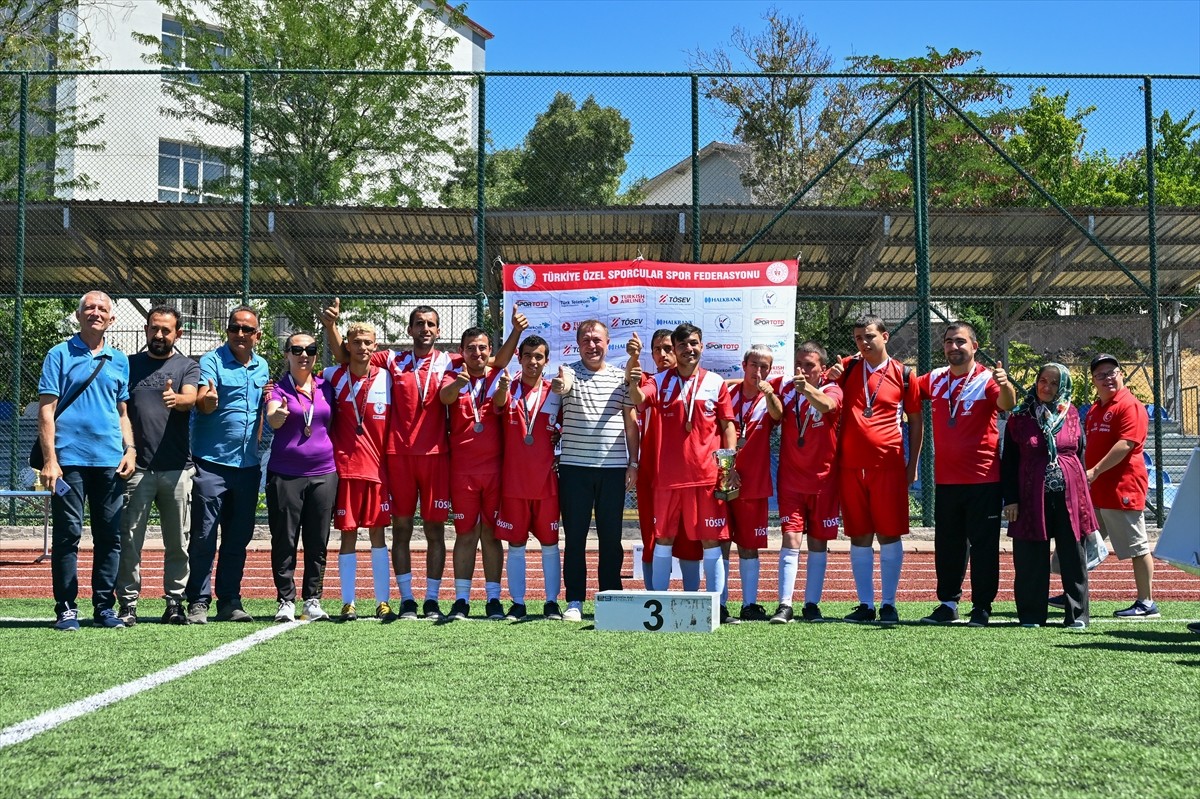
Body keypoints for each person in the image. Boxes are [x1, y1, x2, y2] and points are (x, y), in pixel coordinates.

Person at [324, 303, 523, 620]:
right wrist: (332, 326)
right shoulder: (392, 359)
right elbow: (347, 358)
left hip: (436, 457)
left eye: (431, 324)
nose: (425, 329)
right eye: (419, 324)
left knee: (435, 530)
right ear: (410, 330)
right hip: (397, 457)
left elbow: (493, 361)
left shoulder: (449, 361)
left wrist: (516, 331)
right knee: (401, 530)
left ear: (439, 331)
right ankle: (406, 600)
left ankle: (431, 599)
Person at [37, 291, 136, 631]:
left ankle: (104, 608)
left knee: (110, 537)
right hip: (69, 462)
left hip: (110, 461)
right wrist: (51, 461)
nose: (96, 312)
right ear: (79, 316)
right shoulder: (58, 354)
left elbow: (122, 411)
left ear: (111, 319)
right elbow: (46, 412)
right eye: (89, 307)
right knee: (68, 536)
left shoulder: (120, 360)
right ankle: (66, 609)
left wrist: (131, 449)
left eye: (102, 308)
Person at [628, 323, 739, 623]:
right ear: (675, 351)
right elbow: (638, 399)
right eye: (682, 346)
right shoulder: (661, 380)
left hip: (706, 477)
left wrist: (728, 467)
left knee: (711, 541)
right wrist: (633, 371)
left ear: (702, 346)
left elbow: (728, 426)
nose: (689, 349)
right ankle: (659, 606)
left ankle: (717, 607)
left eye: (694, 343)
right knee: (663, 538)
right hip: (668, 480)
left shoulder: (716, 383)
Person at [916, 322, 1016, 627]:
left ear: (974, 346)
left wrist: (1006, 382)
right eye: (948, 342)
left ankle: (982, 607)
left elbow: (1007, 404)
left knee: (984, 547)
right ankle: (947, 604)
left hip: (984, 480)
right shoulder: (934, 379)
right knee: (948, 546)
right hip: (946, 481)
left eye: (960, 342)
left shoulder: (987, 379)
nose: (953, 347)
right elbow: (899, 383)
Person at [829, 315, 922, 625]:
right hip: (850, 466)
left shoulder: (905, 374)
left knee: (889, 534)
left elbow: (916, 421)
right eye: (858, 338)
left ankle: (889, 603)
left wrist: (914, 464)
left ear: (884, 336)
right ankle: (865, 604)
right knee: (859, 535)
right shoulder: (849, 368)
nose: (864, 342)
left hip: (889, 466)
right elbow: (827, 395)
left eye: (869, 336)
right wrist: (831, 375)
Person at [186, 305, 270, 624]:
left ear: (257, 335)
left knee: (238, 538)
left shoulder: (262, 366)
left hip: (247, 467)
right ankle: (198, 600)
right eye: (235, 328)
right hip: (211, 464)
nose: (240, 334)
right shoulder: (211, 360)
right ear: (227, 331)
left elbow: (265, 406)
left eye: (247, 329)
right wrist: (207, 399)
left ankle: (230, 600)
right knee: (205, 536)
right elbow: (205, 398)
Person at [117, 305, 200, 626]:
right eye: (154, 328)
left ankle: (174, 603)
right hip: (136, 470)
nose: (159, 335)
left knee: (178, 542)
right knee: (130, 541)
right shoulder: (128, 365)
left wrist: (177, 399)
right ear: (146, 330)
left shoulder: (187, 366)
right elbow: (120, 409)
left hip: (178, 469)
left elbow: (191, 398)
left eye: (166, 330)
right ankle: (127, 605)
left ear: (177, 333)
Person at [552, 320, 639, 622]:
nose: (592, 345)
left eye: (597, 340)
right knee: (574, 538)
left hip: (613, 469)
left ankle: (611, 596)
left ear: (607, 342)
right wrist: (560, 385)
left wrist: (634, 463)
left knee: (611, 538)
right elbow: (561, 387)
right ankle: (575, 599)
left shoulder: (620, 378)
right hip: (574, 469)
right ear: (577, 343)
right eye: (586, 340)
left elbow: (631, 423)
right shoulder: (569, 372)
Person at [1001, 363, 1096, 629]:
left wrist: (1083, 499)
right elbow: (1008, 462)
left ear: (1063, 387)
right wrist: (1011, 500)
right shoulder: (1020, 417)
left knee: (1073, 557)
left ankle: (1076, 615)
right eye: (1043, 380)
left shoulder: (1073, 414)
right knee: (1030, 556)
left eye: (1054, 383)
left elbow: (1080, 455)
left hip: (1069, 497)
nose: (1047, 387)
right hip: (1030, 497)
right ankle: (1031, 615)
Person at [322, 319, 394, 623]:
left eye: (367, 342)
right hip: (345, 469)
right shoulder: (331, 376)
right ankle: (348, 602)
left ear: (375, 345)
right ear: (347, 346)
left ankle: (383, 602)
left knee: (378, 534)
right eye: (356, 342)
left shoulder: (389, 378)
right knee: (348, 536)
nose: (362, 347)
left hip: (378, 470)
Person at [265, 333, 337, 622]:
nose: (303, 354)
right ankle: (285, 600)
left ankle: (312, 599)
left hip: (324, 473)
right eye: (297, 349)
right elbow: (272, 414)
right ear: (287, 354)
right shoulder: (278, 389)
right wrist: (275, 417)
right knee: (285, 538)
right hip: (286, 474)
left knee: (318, 539)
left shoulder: (326, 386)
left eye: (310, 350)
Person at [493, 335, 564, 620]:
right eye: (528, 356)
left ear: (546, 361)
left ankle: (551, 602)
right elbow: (497, 405)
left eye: (539, 357)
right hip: (514, 482)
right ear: (518, 358)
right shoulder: (508, 389)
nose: (533, 362)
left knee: (550, 545)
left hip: (547, 483)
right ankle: (518, 602)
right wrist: (501, 389)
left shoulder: (556, 392)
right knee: (516, 546)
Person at [771, 341, 842, 624]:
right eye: (799, 364)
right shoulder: (787, 387)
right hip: (791, 479)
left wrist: (807, 389)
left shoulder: (830, 388)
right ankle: (785, 604)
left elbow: (827, 405)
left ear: (822, 369)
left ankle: (811, 604)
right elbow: (754, 381)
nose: (803, 369)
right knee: (790, 538)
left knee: (818, 542)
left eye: (810, 365)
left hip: (824, 480)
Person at [1083, 353, 1158, 618]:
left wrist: (1094, 470)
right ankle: (1075, 591)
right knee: (1085, 542)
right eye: (1100, 375)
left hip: (1122, 488)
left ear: (1122, 374)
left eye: (1112, 372)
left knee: (1136, 546)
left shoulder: (1129, 405)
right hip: (1097, 490)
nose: (1107, 379)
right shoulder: (1095, 409)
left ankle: (1147, 602)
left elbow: (1126, 445)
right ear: (1093, 381)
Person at [439, 328, 506, 621]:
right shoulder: (453, 375)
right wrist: (459, 384)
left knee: (491, 534)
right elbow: (444, 398)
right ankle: (462, 599)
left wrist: (502, 389)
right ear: (461, 351)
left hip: (495, 469)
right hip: (463, 471)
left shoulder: (500, 378)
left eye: (482, 348)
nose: (477, 354)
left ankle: (493, 599)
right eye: (471, 349)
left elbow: (503, 406)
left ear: (490, 350)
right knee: (465, 534)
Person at [633, 329, 703, 592]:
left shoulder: (700, 383)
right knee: (653, 537)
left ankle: (692, 597)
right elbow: (636, 396)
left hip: (687, 472)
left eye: (667, 349)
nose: (662, 355)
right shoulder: (651, 382)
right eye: (657, 350)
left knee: (690, 536)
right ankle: (654, 596)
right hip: (652, 473)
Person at [725, 345, 782, 622]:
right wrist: (728, 469)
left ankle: (749, 604)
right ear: (744, 365)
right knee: (720, 542)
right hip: (723, 479)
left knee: (749, 545)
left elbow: (778, 416)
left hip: (754, 482)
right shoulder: (728, 394)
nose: (758, 372)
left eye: (765, 367)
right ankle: (720, 604)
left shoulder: (769, 398)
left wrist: (770, 393)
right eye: (754, 365)